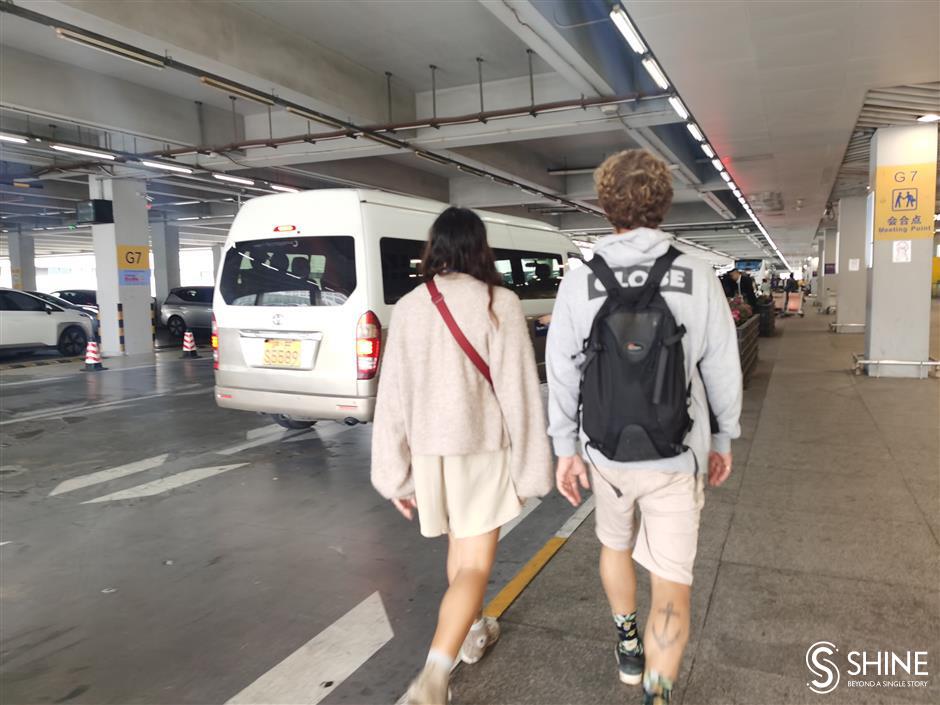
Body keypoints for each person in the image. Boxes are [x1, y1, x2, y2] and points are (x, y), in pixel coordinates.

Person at [546, 149, 742, 705]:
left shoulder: (580, 276)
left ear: (606, 205)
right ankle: (657, 691)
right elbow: (720, 363)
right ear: (663, 201)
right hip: (677, 452)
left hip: (605, 452)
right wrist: (722, 437)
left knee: (614, 543)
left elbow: (562, 369)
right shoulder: (696, 272)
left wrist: (565, 448)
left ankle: (627, 641)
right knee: (672, 583)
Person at [371, 206, 553, 705]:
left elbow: (394, 397)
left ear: (435, 248)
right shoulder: (499, 302)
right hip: (481, 452)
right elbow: (519, 391)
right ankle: (434, 673)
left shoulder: (408, 306)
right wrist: (532, 469)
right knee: (475, 564)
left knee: (459, 552)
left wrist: (394, 474)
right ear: (480, 248)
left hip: (432, 457)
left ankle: (472, 632)